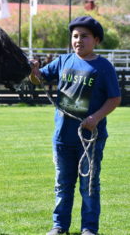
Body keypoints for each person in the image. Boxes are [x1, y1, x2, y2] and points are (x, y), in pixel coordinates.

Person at [29, 16, 121, 235]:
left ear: (96, 40)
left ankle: (89, 228)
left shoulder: (103, 67)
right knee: (62, 184)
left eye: (85, 36)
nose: (79, 40)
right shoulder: (63, 61)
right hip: (62, 136)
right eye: (75, 36)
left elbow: (114, 98)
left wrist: (96, 118)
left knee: (89, 185)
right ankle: (59, 225)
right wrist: (33, 72)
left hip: (90, 138)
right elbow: (39, 79)